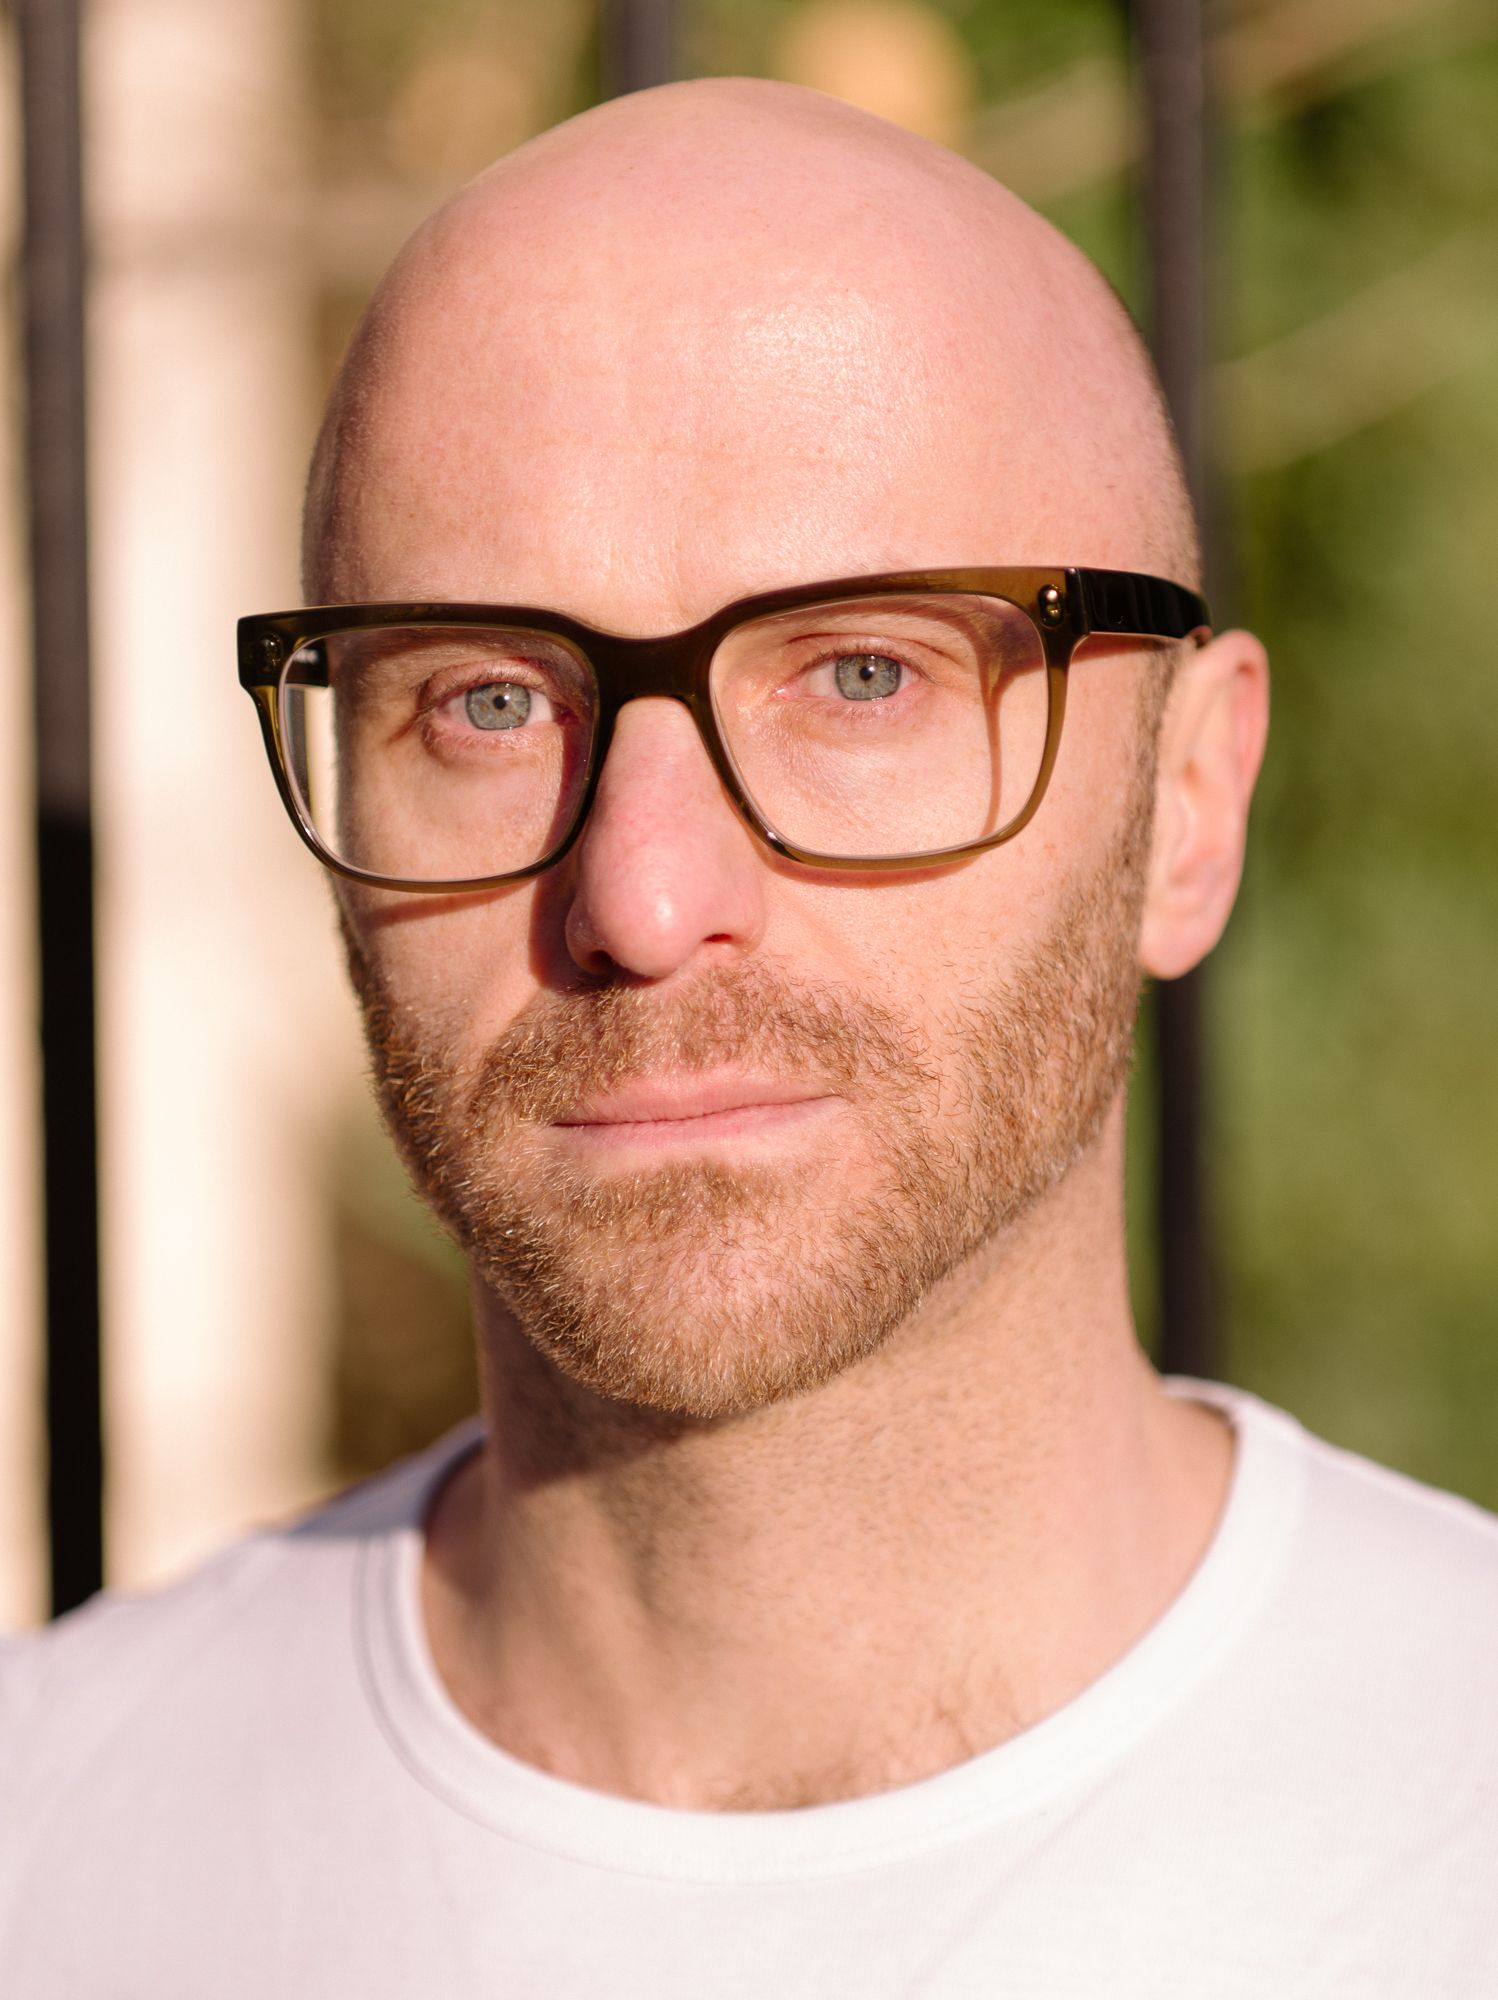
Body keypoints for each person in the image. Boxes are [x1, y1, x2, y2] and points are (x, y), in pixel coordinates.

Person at [2, 78, 1494, 1997]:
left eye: (862, 673)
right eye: (482, 701)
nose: (640, 899)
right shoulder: (49, 1853)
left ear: (1186, 808)